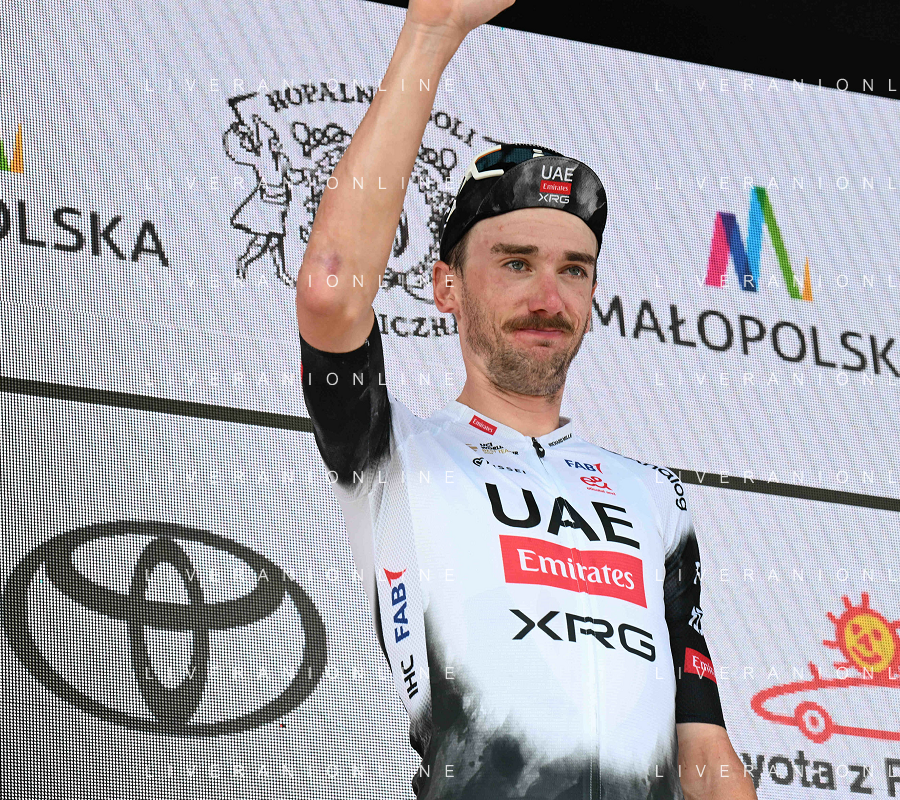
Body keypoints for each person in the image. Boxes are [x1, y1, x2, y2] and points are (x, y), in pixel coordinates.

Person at [295, 2, 757, 798]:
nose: (549, 296)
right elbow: (331, 289)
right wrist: (431, 34)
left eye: (573, 270)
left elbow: (705, 749)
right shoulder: (391, 452)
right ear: (445, 286)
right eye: (515, 263)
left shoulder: (655, 497)